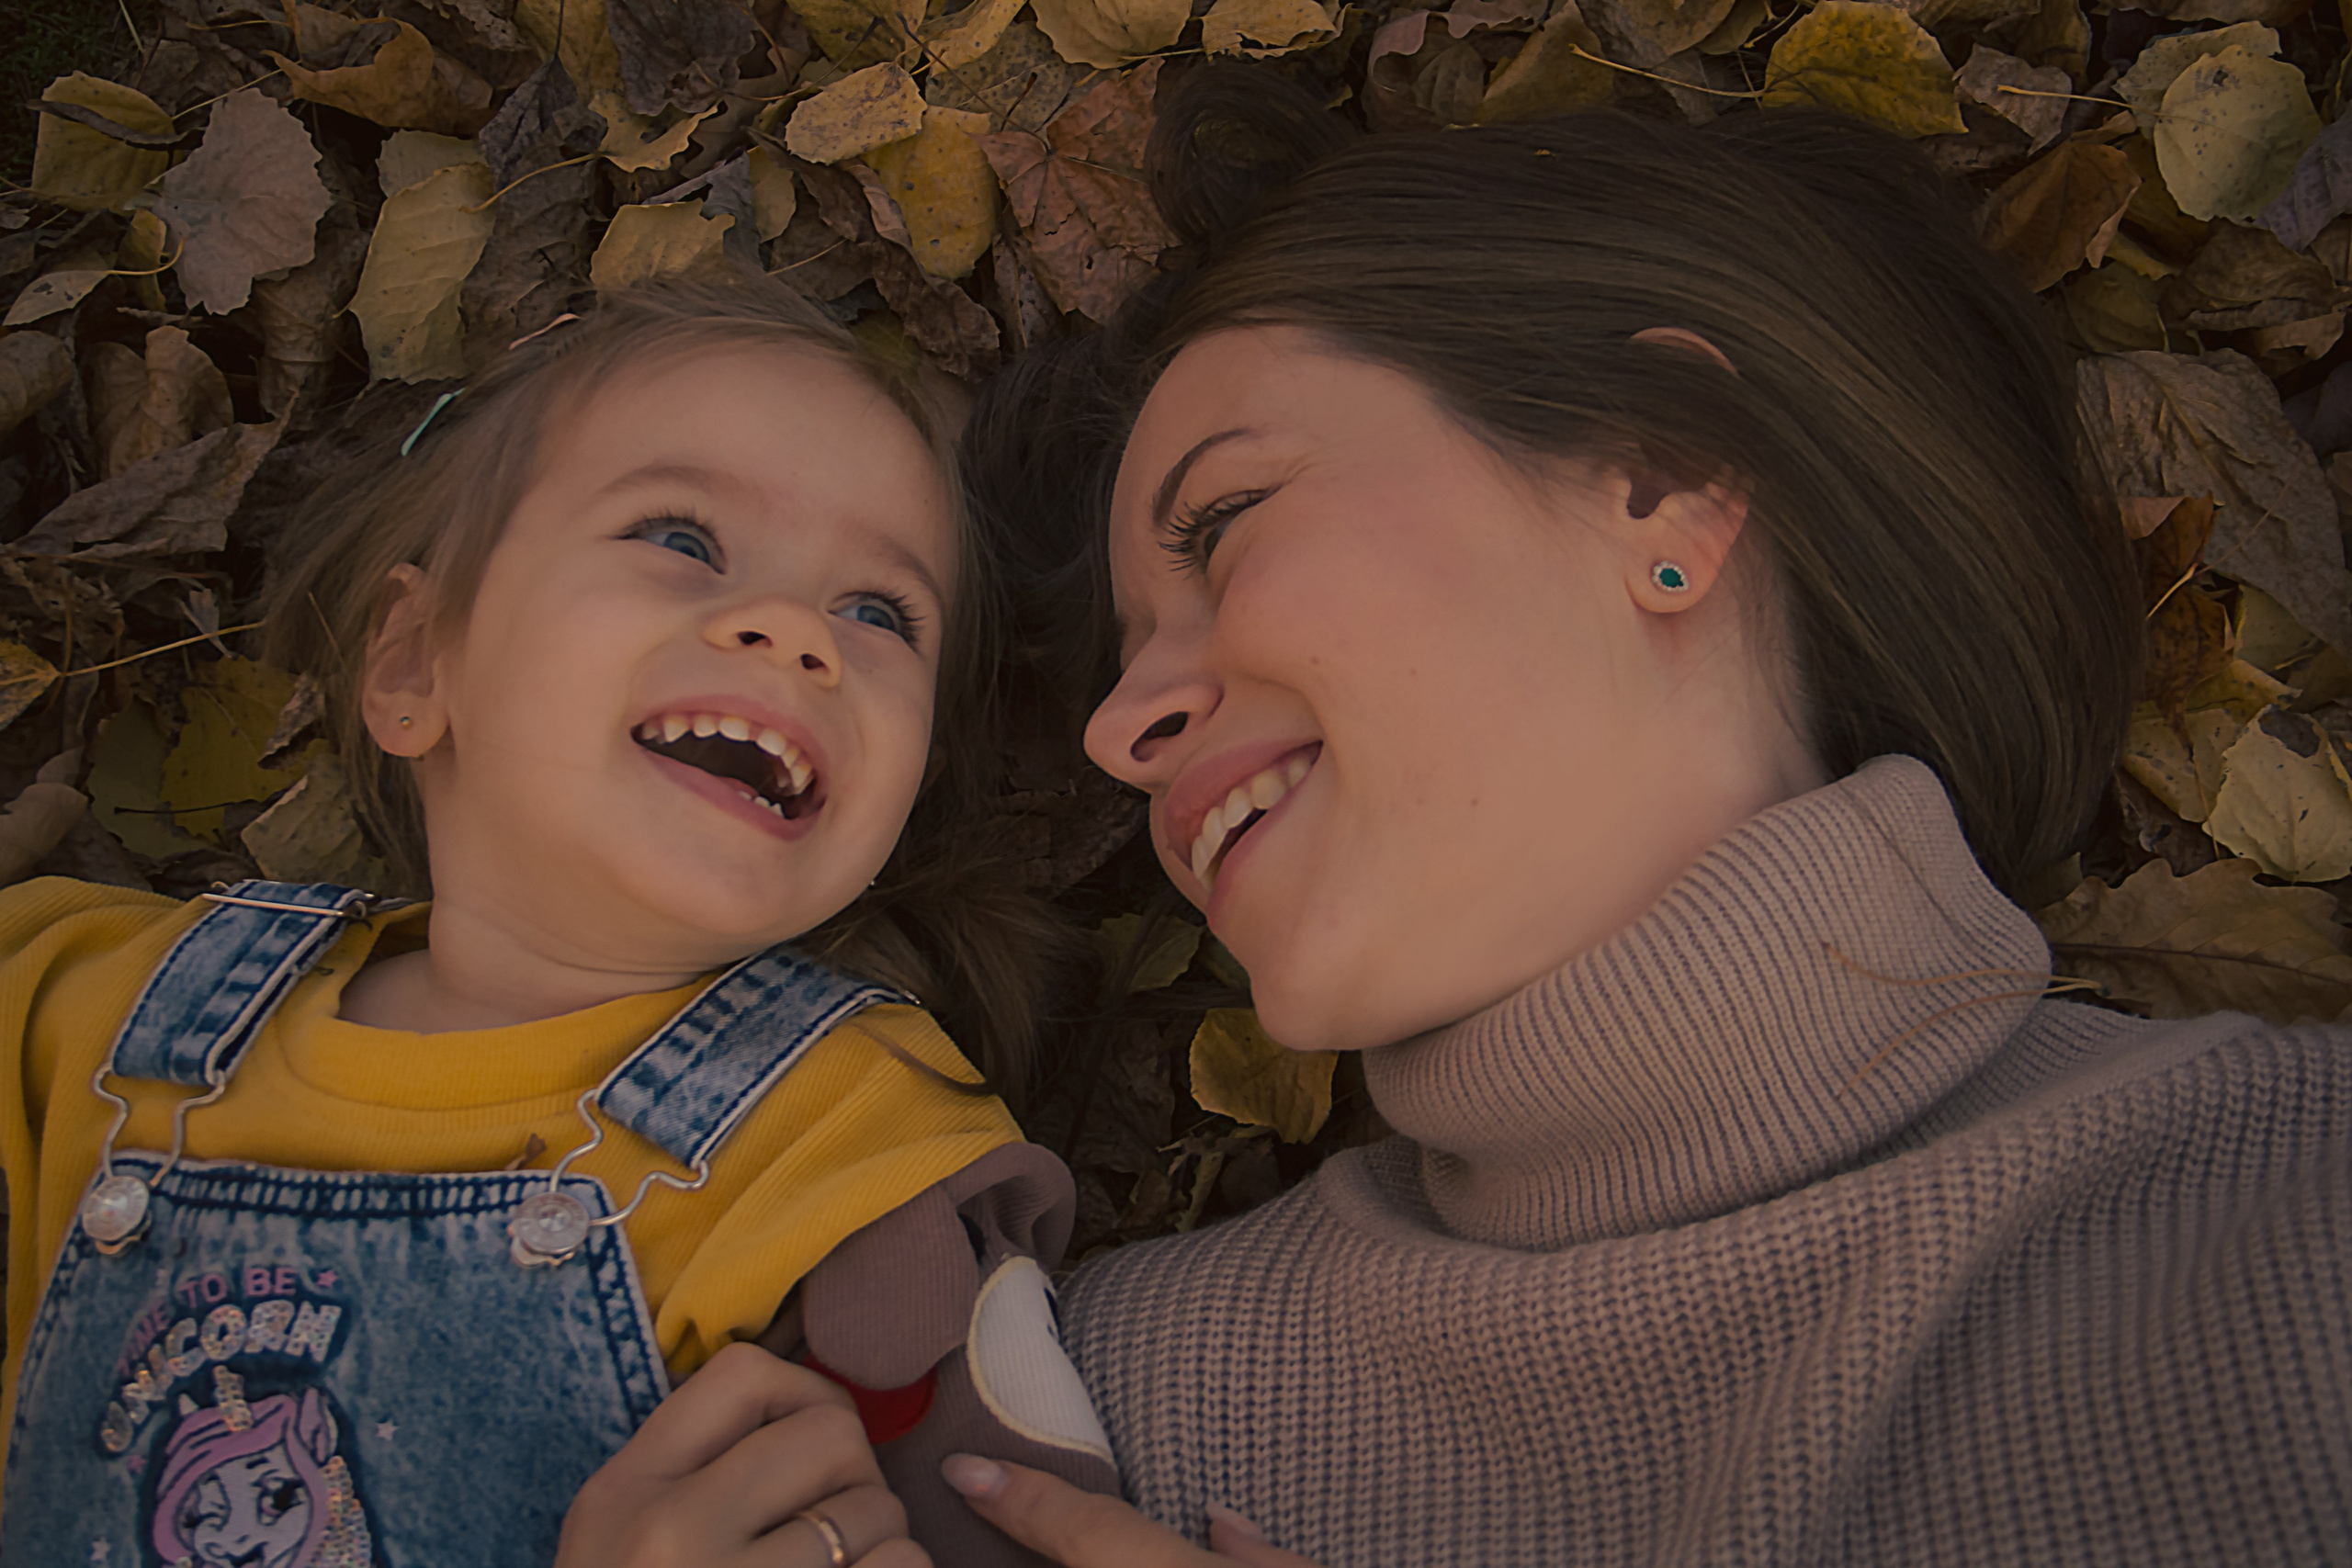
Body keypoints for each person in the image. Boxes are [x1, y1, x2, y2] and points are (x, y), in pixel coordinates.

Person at [938, 71, 2352, 1567]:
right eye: (1120, 659)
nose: (1116, 731)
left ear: (1663, 480)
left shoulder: (2308, 1211)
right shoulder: (1076, 1407)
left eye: (1224, 527)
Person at [0, 275, 1115, 1568]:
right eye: (683, 540)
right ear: (419, 663)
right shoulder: (67, 1006)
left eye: (882, 616)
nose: (798, 630)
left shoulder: (853, 1168)